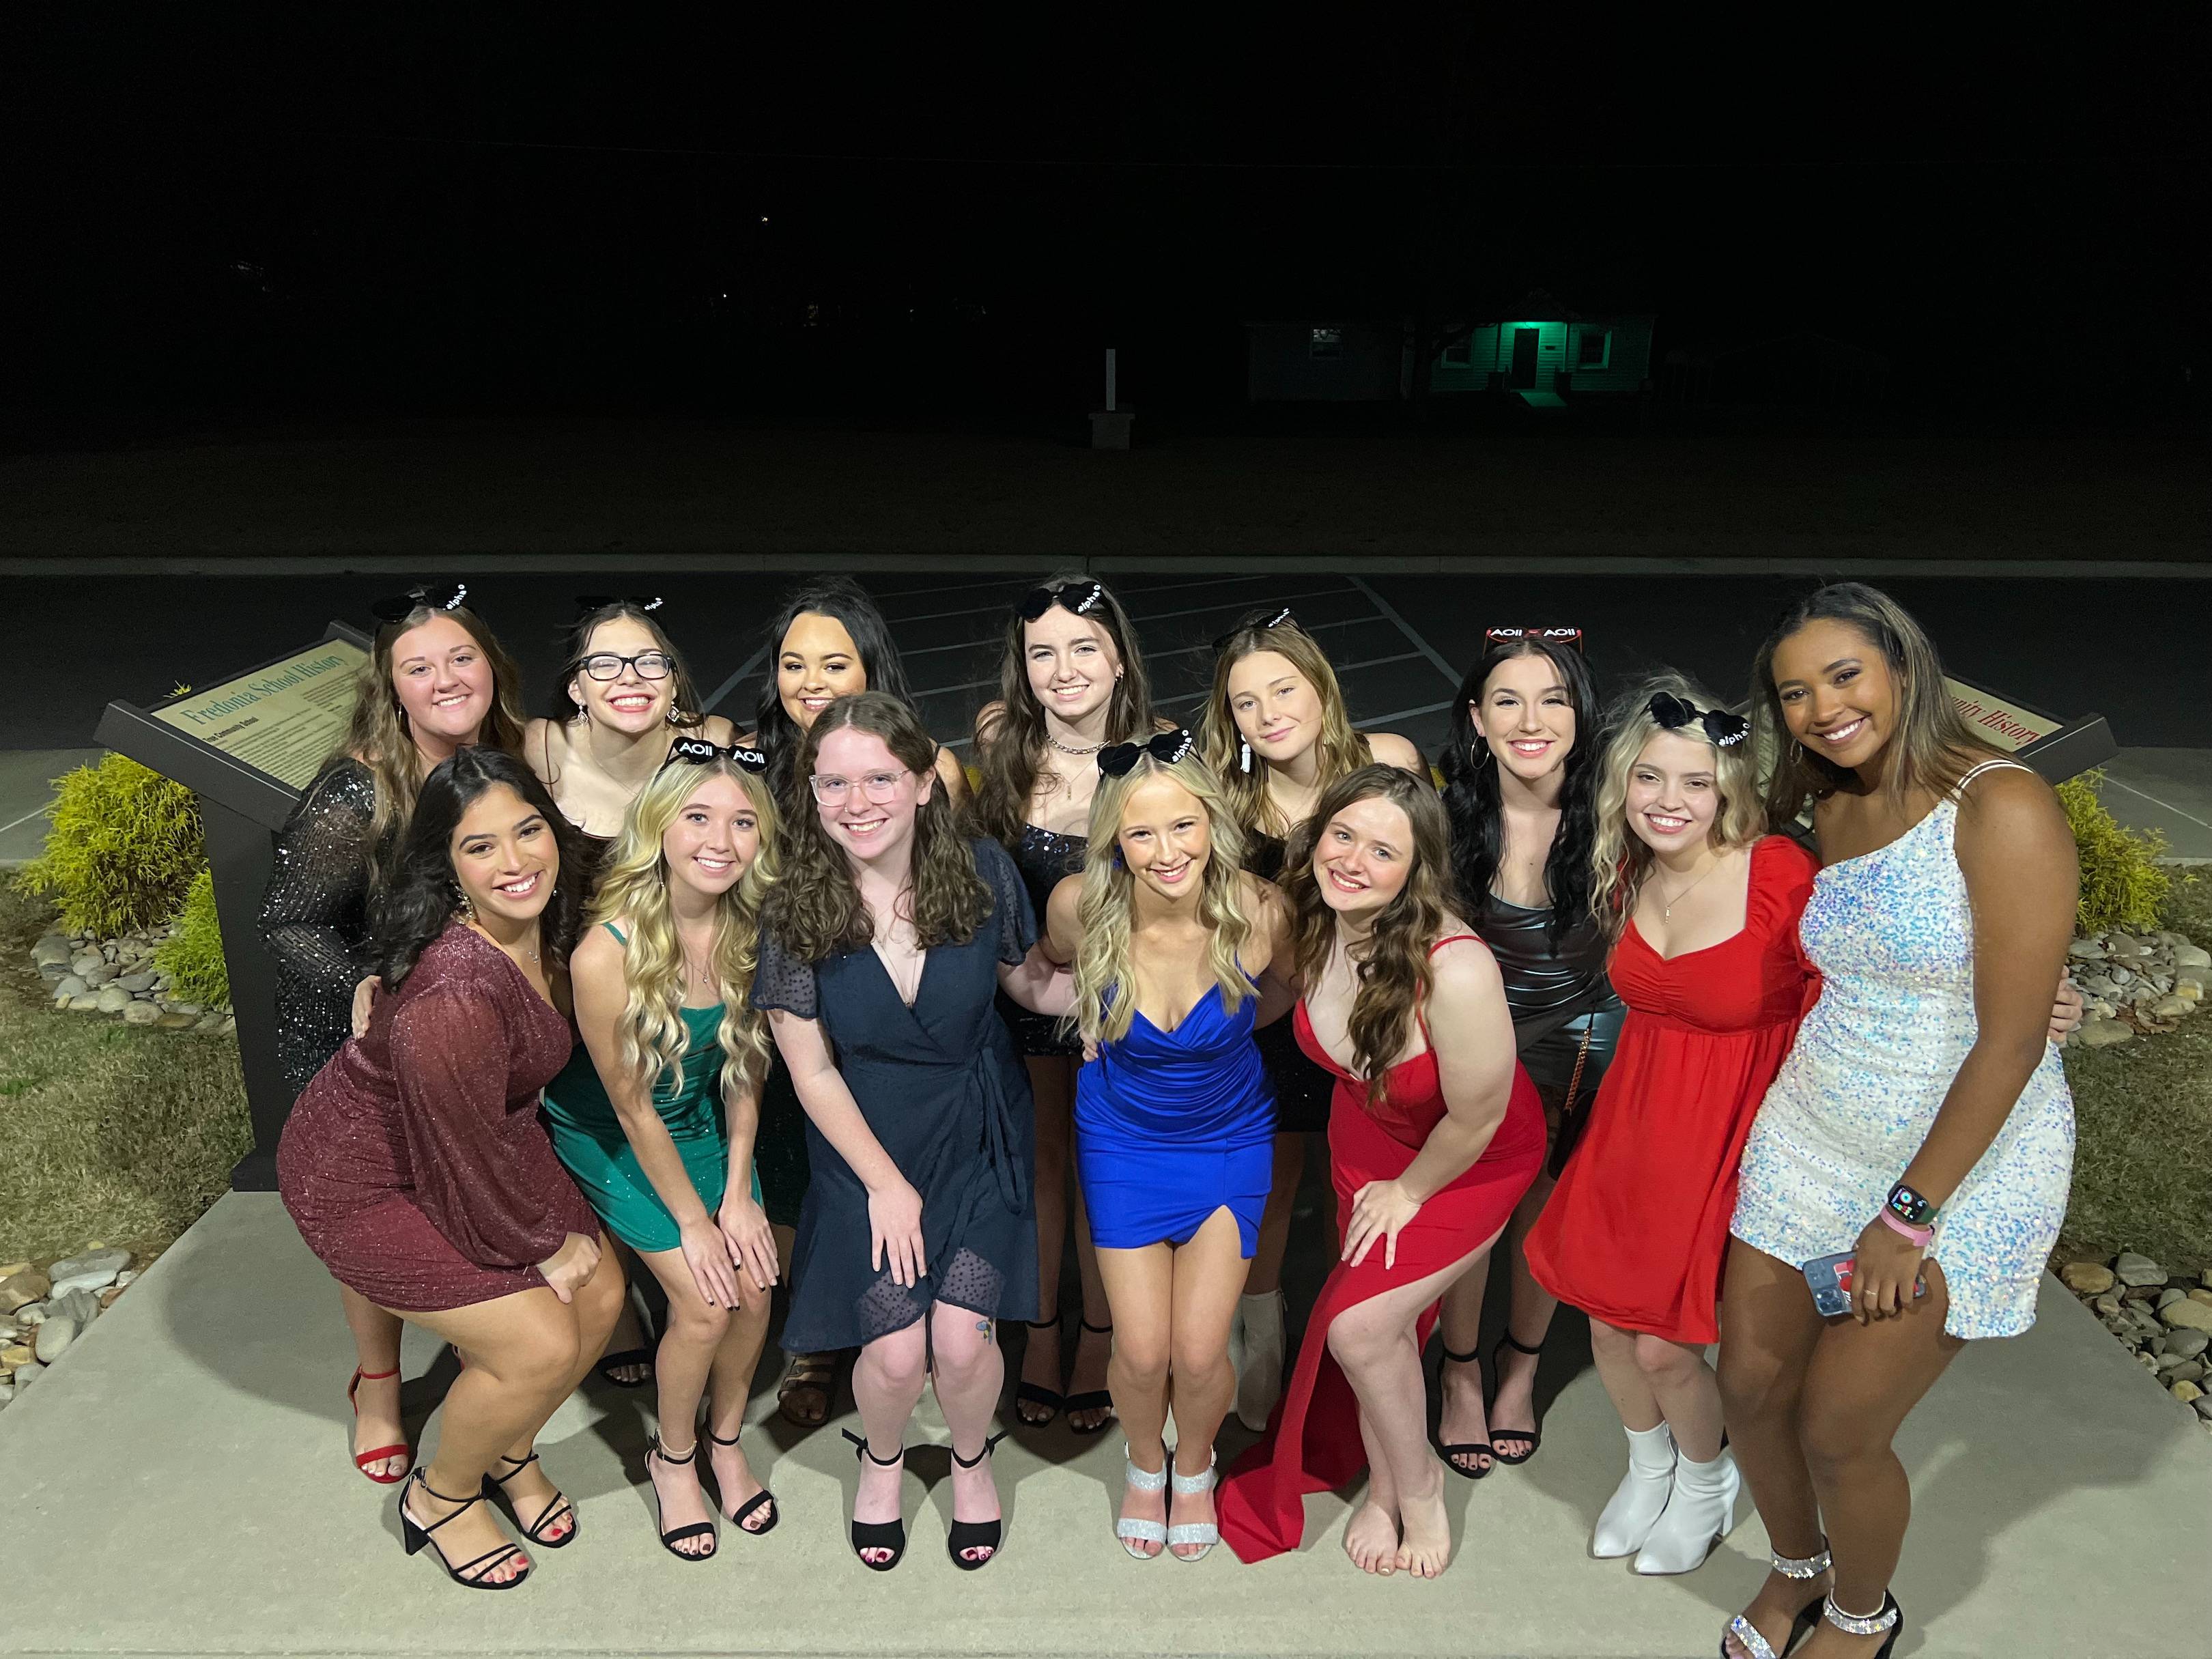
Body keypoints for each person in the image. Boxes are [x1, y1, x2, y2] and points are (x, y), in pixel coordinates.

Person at [1718, 585, 2079, 1659]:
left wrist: (1907, 1215)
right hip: (1814, 1134)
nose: (1824, 708)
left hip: (1963, 1171)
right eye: (1795, 692)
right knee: (1748, 1384)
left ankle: (1861, 1614)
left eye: (1845, 675)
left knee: (1840, 1427)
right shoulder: (1830, 801)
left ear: (1904, 670)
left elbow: (2011, 1039)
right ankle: (1798, 1566)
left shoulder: (2001, 804)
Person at [276, 748, 625, 1589]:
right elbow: (453, 1158)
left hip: (479, 1132)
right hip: (363, 1178)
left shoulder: (551, 919)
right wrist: (538, 1244)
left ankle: (506, 1448)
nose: (515, 861)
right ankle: (442, 1497)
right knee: (538, 1344)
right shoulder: (457, 992)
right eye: (480, 847)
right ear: (448, 867)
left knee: (603, 1295)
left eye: (528, 830)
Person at [752, 692, 1072, 1572]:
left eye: (880, 779)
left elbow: (1030, 986)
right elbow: (811, 1071)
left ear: (926, 782)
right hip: (866, 1143)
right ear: (811, 793)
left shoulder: (981, 870)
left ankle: (971, 1462)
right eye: (834, 784)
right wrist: (885, 1186)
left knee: (961, 1345)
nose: (856, 803)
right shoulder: (792, 905)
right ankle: (882, 1460)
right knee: (895, 1357)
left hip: (978, 1129)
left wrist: (1139, 988)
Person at [1521, 677, 1821, 1576]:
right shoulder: (1630, 867)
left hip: (1736, 1133)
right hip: (1636, 1123)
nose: (1668, 800)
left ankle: (1705, 1478)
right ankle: (1648, 1468)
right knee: (1606, 1327)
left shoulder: (1779, 873)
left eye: (1695, 782)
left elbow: (1856, 992)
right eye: (1649, 777)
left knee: (1664, 1344)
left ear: (1728, 787)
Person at [1217, 765, 1545, 1579]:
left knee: (1358, 1330)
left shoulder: (1456, 967)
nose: (1353, 860)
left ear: (1416, 870)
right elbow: (1270, 1001)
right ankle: (1388, 1486)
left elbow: (1478, 1117)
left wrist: (1410, 1192)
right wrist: (1163, 1033)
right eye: (1343, 835)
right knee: (1378, 1332)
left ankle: (1420, 1486)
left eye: (1383, 851)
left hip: (1468, 1159)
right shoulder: (1313, 923)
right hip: (1365, 1140)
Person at [259, 582, 528, 1486]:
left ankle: (484, 1328)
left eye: (461, 657)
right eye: (420, 668)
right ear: (391, 687)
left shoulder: (505, 756)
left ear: (491, 664)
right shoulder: (360, 786)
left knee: (462, 1184)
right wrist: (363, 987)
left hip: (461, 1026)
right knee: (378, 1209)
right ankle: (378, 1380)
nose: (446, 680)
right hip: (359, 1035)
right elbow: (288, 920)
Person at [1040, 731, 1291, 1560]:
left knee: (1200, 1350)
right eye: (1142, 833)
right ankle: (1146, 1463)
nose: (1167, 851)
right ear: (1115, 839)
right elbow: (1041, 968)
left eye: (1184, 825)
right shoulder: (1080, 905)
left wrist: (1219, 1039)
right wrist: (1092, 1020)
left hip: (1229, 1137)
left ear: (1213, 822)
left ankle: (1197, 1466)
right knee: (1144, 1352)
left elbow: (1285, 991)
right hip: (1123, 1140)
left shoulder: (1260, 909)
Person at [540, 737, 783, 1561]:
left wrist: (739, 1194)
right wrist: (694, 1222)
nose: (721, 840)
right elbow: (632, 1105)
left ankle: (725, 1441)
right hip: (613, 1132)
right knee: (707, 1303)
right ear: (659, 828)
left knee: (757, 1291)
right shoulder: (604, 953)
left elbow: (746, 1070)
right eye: (699, 817)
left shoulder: (752, 930)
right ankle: (672, 1458)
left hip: (700, 1122)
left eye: (743, 822)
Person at [741, 576, 969, 1427]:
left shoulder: (927, 765)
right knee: (795, 1166)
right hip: (775, 990)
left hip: (877, 1000)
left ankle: (902, 1313)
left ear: (872, 669)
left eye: (834, 664)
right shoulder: (753, 764)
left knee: (872, 1163)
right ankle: (816, 1333)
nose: (811, 681)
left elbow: (952, 891)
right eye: (793, 664)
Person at [1196, 608, 1427, 1431]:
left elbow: (1429, 891)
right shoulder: (1229, 799)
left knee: (1362, 1184)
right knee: (1275, 1177)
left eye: (1283, 689)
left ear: (1321, 686)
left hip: (1373, 1013)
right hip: (1276, 1017)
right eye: (1245, 702)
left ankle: (1359, 1337)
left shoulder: (1389, 764)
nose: (1269, 714)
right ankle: (1262, 1328)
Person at [527, 595, 740, 1389]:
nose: (630, 677)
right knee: (591, 1125)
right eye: (605, 663)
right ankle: (614, 1300)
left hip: (671, 986)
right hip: (567, 985)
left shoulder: (708, 742)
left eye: (650, 661)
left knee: (666, 1107)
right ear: (575, 685)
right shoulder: (540, 749)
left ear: (674, 679)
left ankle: (679, 1253)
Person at [973, 574, 1161, 1434]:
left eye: (1084, 648)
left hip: (1126, 1004)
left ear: (1120, 660)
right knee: (1042, 1164)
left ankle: (1101, 1334)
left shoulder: (1160, 753)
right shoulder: (1002, 746)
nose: (1064, 669)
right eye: (1041, 653)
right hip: (1027, 994)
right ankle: (1042, 1330)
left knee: (1103, 1169)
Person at [1430, 627, 1619, 1478]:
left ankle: (1522, 1366)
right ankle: (1461, 1370)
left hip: (1586, 1038)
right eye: (1507, 700)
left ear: (1582, 714)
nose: (1531, 721)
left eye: (1553, 699)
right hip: (1479, 1037)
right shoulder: (1447, 821)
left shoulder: (1622, 815)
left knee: (1546, 1205)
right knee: (1476, 1206)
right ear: (1477, 718)